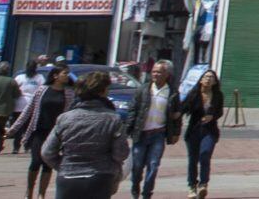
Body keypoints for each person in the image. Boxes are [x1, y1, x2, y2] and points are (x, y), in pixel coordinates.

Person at [40, 68, 129, 199]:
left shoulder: (65, 118)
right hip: (100, 178)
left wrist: (63, 166)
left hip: (67, 179)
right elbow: (121, 153)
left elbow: (47, 152)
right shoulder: (113, 119)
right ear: (103, 91)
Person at [15, 62, 71, 199]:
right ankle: (29, 192)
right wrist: (13, 128)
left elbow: (69, 113)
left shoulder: (69, 93)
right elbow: (29, 110)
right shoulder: (42, 90)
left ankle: (42, 194)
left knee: (47, 163)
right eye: (65, 73)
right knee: (36, 161)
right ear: (55, 75)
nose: (67, 76)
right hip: (39, 130)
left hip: (56, 133)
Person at [122, 59, 174, 199]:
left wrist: (175, 132)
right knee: (137, 166)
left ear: (167, 74)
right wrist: (128, 129)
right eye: (154, 71)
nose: (155, 74)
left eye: (159, 72)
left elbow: (175, 115)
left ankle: (147, 193)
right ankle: (135, 188)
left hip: (158, 134)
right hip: (141, 133)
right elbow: (133, 109)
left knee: (153, 165)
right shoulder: (143, 89)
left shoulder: (172, 92)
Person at [179, 71, 224, 199]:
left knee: (205, 154)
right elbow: (183, 108)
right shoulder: (194, 94)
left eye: (211, 77)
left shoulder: (218, 95)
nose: (208, 79)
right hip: (194, 130)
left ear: (215, 81)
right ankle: (192, 186)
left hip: (210, 131)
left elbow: (220, 111)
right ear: (200, 80)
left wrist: (212, 116)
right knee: (193, 159)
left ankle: (203, 184)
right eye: (206, 77)